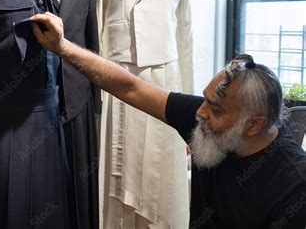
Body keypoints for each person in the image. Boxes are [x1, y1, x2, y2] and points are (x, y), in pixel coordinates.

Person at [30, 12, 306, 228]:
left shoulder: (293, 184)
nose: (200, 113)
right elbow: (131, 87)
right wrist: (61, 46)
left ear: (254, 124)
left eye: (216, 109)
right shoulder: (206, 122)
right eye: (205, 100)